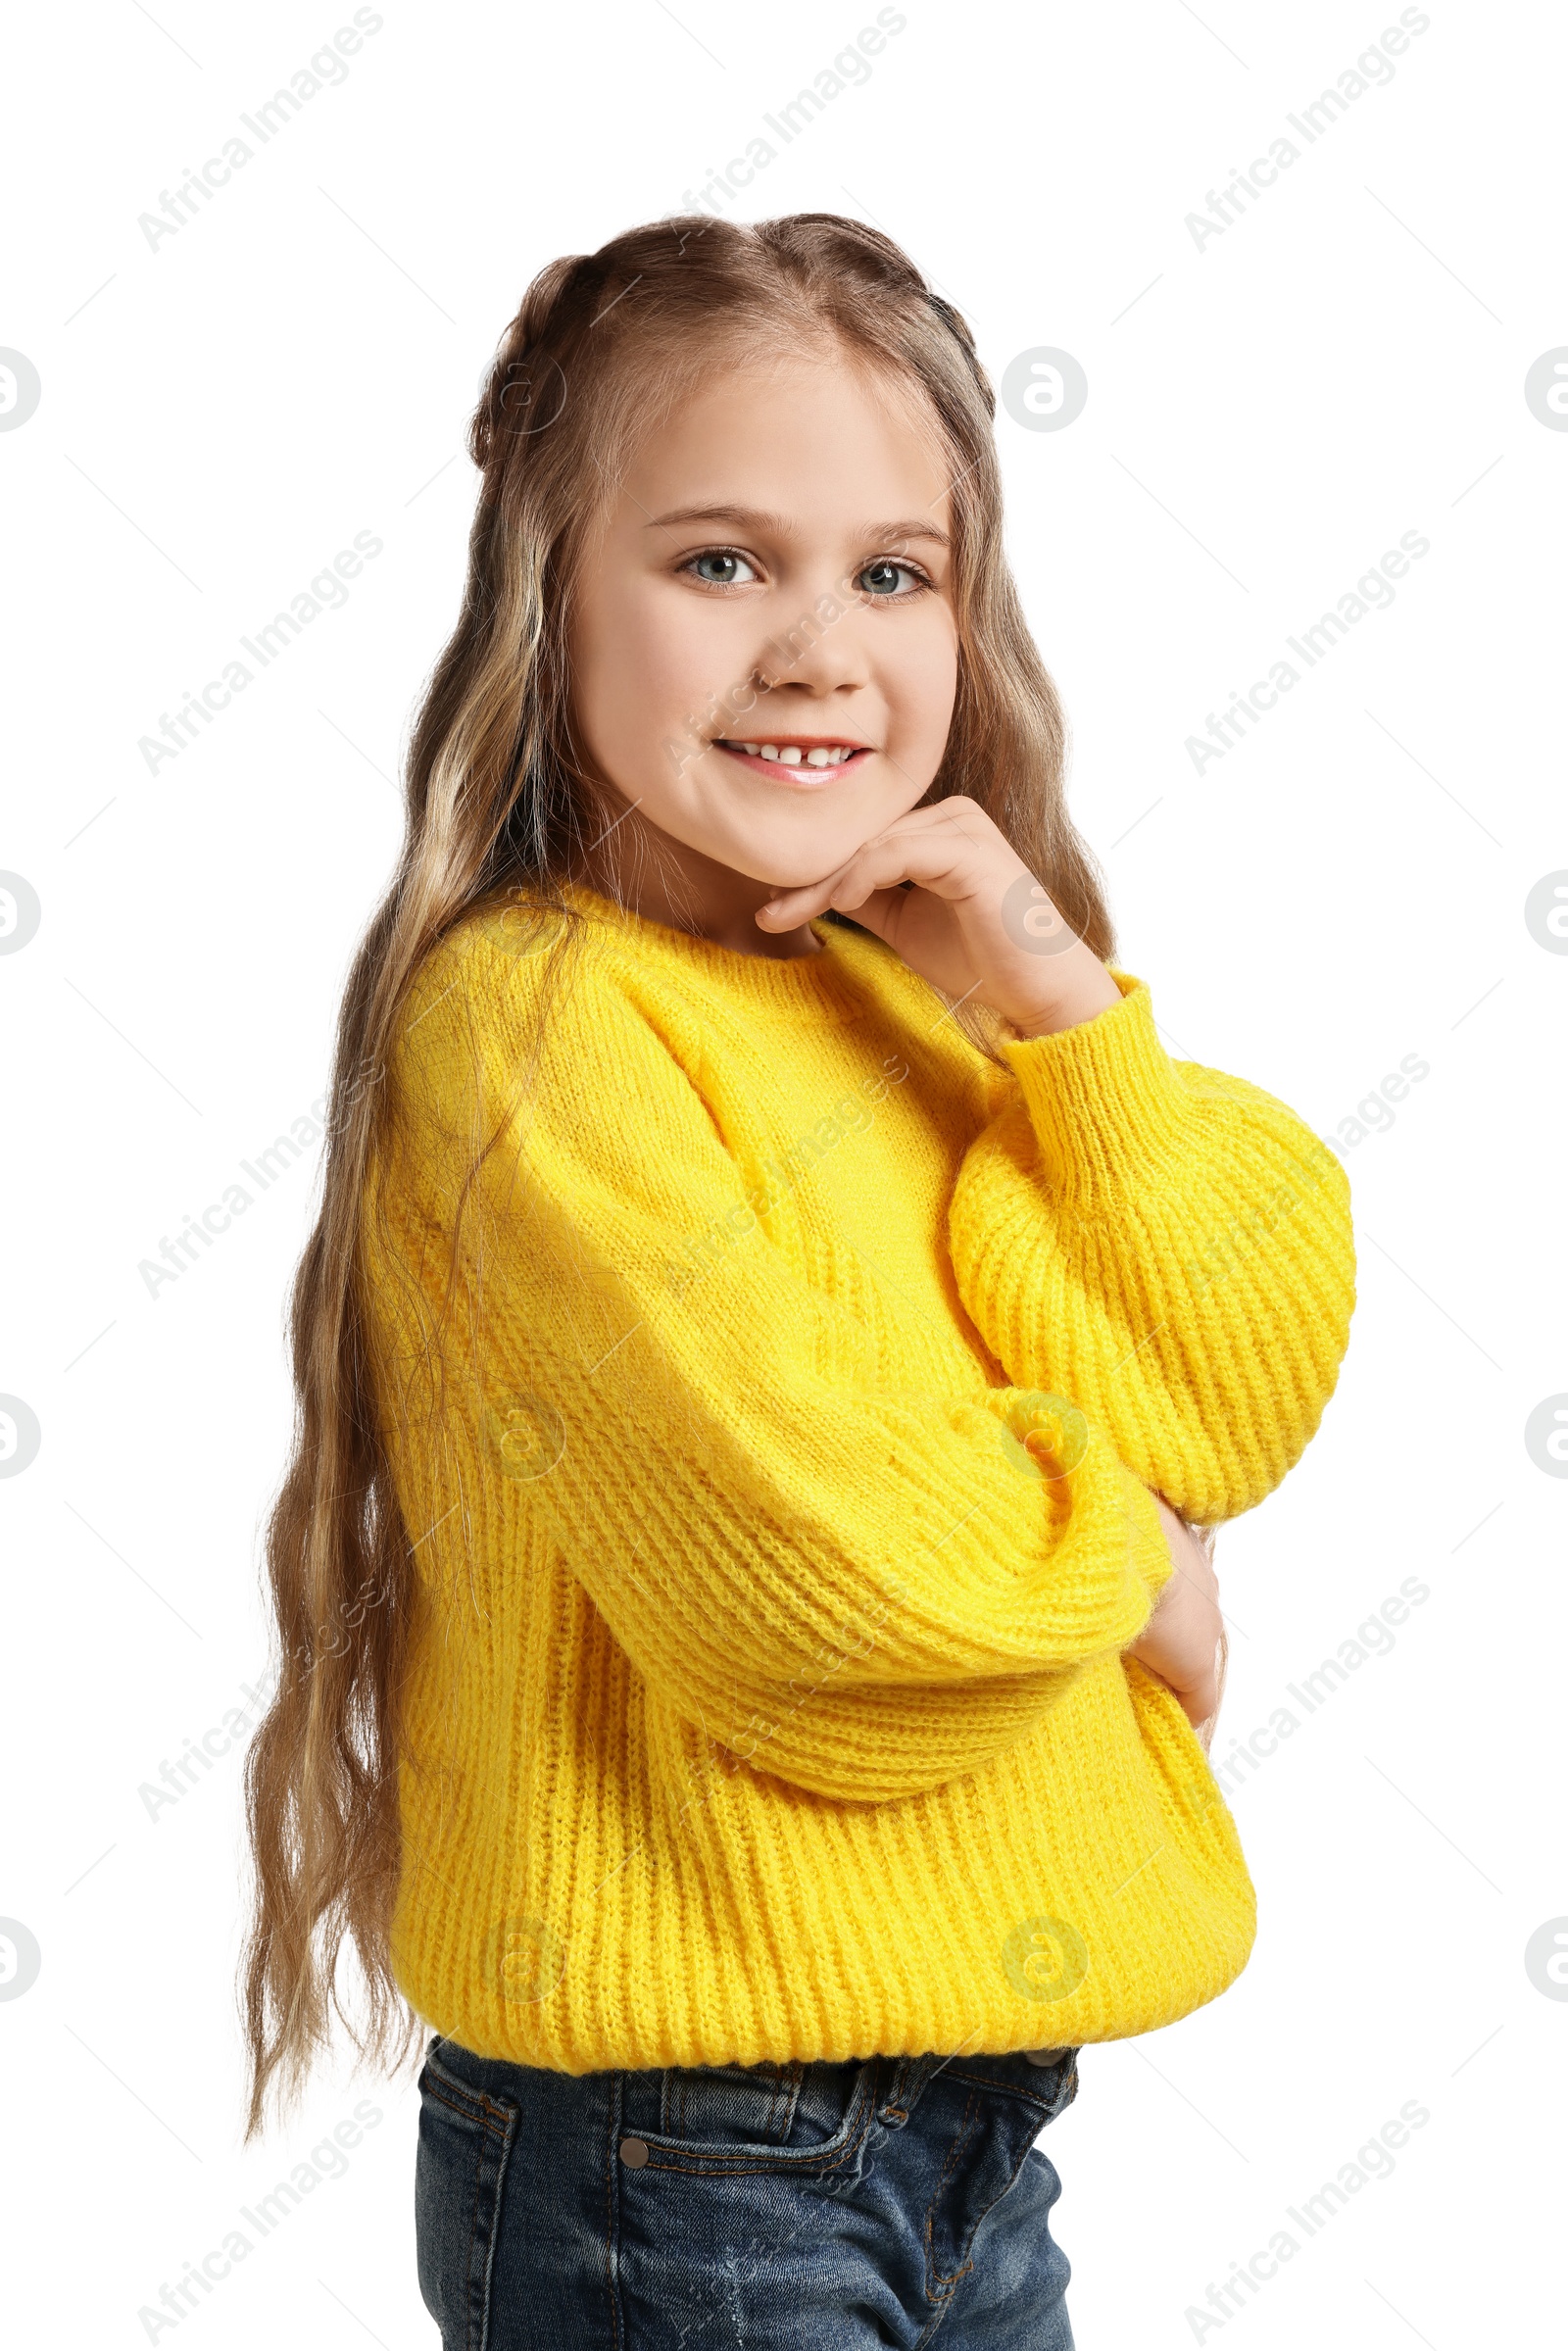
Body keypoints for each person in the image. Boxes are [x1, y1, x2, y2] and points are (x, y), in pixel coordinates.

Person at [238, 213, 1355, 2348]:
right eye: (719, 563)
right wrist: (1120, 1553)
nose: (819, 650)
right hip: (686, 2154)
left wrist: (1058, 1021)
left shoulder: (915, 1000)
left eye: (889, 572)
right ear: (547, 592)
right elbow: (812, 1568)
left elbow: (1226, 1380)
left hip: (969, 2124)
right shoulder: (541, 1023)